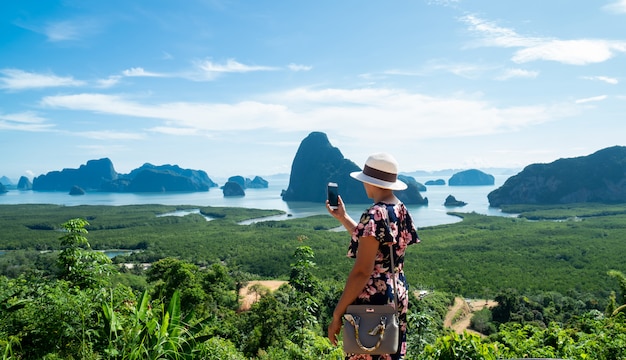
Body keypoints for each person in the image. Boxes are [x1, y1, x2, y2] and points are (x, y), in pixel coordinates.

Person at [326, 153, 420, 360]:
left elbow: (362, 271)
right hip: (396, 292)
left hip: (374, 299)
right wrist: (343, 217)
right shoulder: (400, 209)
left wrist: (337, 314)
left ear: (371, 182)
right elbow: (376, 244)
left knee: (366, 351)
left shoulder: (374, 214)